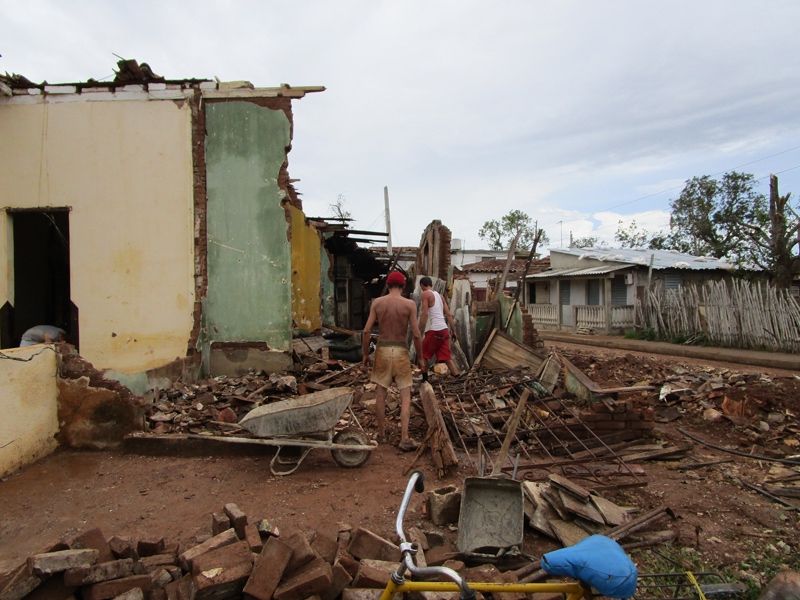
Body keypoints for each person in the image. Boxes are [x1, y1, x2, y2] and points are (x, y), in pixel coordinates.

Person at [362, 271, 427, 451]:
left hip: (382, 349)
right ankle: (404, 438)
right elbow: (415, 334)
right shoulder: (409, 304)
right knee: (405, 395)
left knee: (380, 393)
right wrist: (420, 358)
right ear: (403, 286)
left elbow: (366, 331)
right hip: (400, 350)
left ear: (388, 285)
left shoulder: (377, 302)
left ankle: (381, 434)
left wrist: (365, 355)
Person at [418, 276, 460, 376]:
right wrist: (454, 331)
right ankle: (459, 378)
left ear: (422, 285)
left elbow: (424, 313)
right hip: (444, 330)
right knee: (447, 358)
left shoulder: (425, 294)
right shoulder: (440, 296)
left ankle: (425, 380)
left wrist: (418, 329)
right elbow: (448, 314)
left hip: (435, 330)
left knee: (422, 354)